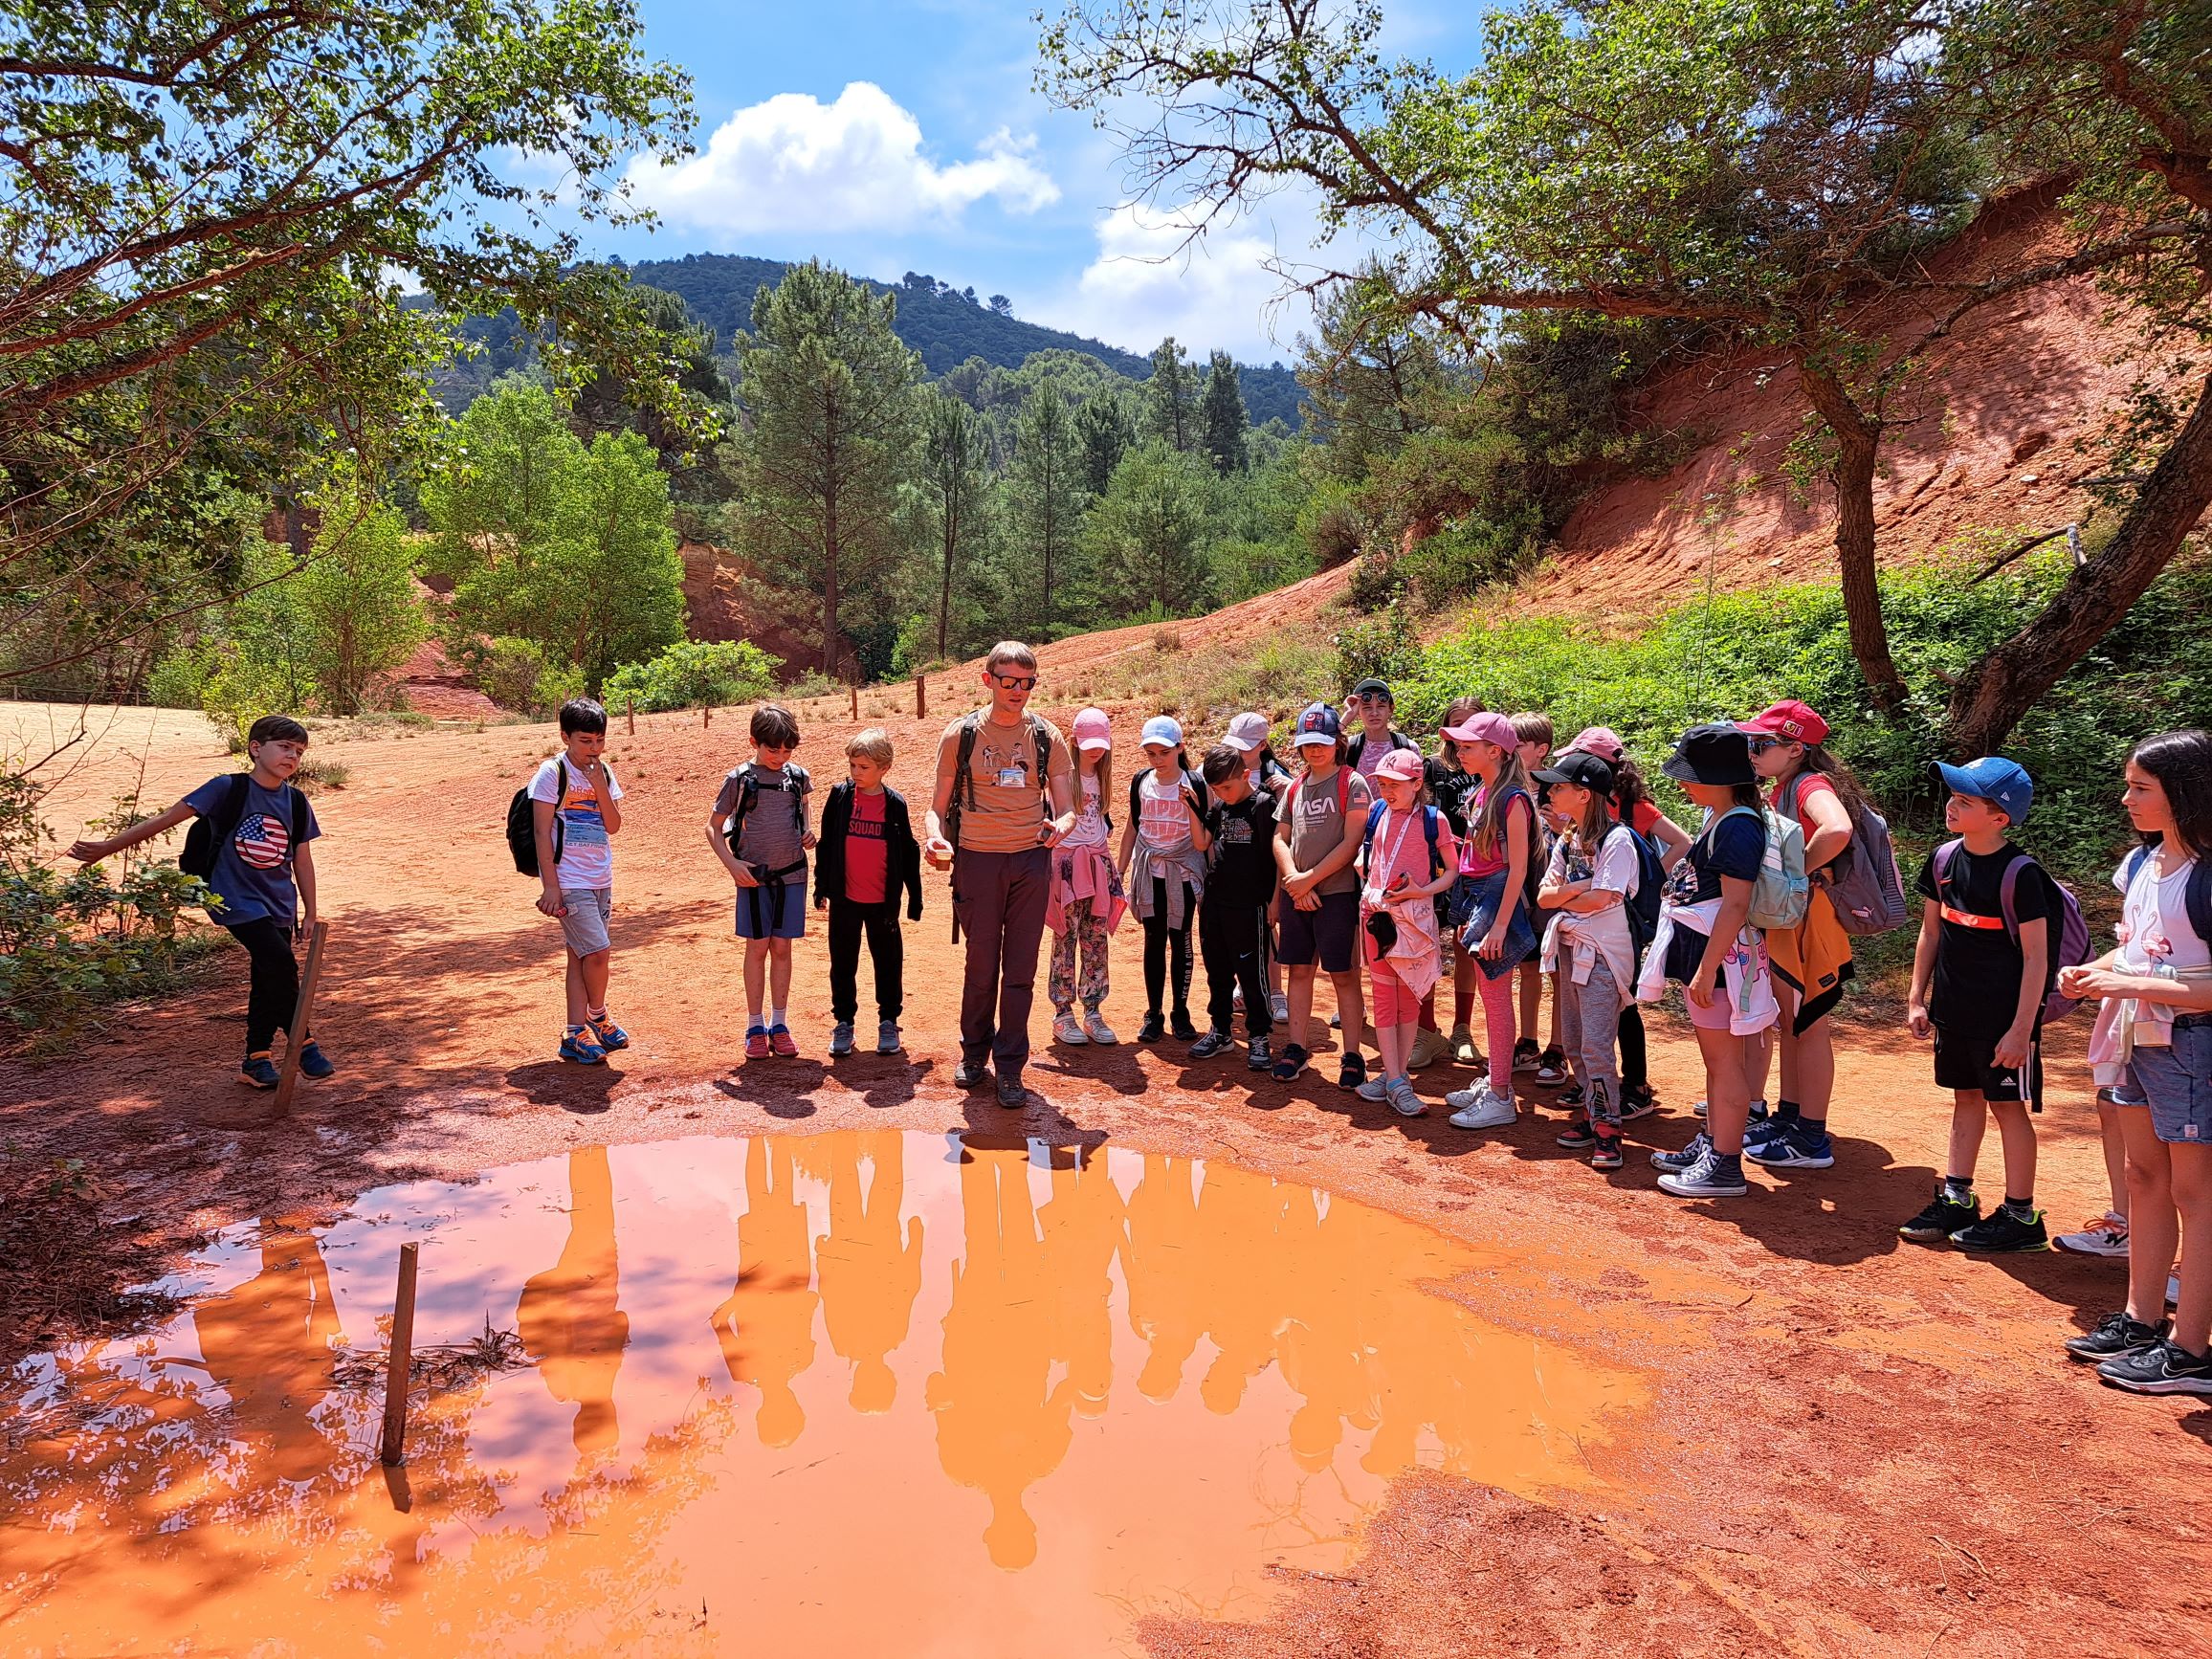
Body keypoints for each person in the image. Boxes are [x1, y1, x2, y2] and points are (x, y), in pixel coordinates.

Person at [2060, 730, 2212, 1395]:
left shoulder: (2206, 877)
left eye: (2140, 789)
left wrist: (2130, 985)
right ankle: (2141, 1319)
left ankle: (2192, 1349)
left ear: (2185, 792)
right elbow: (2144, 954)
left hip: (2191, 1047)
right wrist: (2097, 969)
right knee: (2143, 1176)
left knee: (2196, 1195)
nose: (2127, 799)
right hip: (2142, 1041)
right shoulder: (2148, 865)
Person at [67, 713, 333, 1088]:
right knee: (279, 962)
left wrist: (310, 910)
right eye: (284, 747)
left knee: (268, 975)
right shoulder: (227, 788)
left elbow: (302, 859)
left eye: (300, 751)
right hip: (232, 898)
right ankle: (304, 1043)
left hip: (279, 902)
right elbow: (167, 819)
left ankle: (256, 1061)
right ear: (256, 748)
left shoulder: (296, 801)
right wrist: (108, 847)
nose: (292, 756)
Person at [1896, 757, 2052, 1251]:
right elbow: (1930, 931)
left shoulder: (2022, 874)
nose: (1952, 805)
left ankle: (2022, 1216)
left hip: (2004, 1022)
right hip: (1954, 1013)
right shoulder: (1943, 860)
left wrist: (2022, 1028)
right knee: (1965, 1100)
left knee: (2008, 1109)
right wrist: (1917, 998)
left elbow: (2036, 959)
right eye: (1953, 796)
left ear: (2000, 817)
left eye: (1966, 801)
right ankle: (1958, 1197)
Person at [923, 642, 1076, 1108]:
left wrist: (1059, 827)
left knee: (1021, 970)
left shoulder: (1047, 736)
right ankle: (974, 1056)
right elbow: (935, 810)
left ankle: (1010, 1067)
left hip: (1031, 862)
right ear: (988, 680)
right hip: (977, 860)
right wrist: (935, 839)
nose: (1018, 691)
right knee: (981, 965)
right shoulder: (961, 734)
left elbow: (1069, 810)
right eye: (1008, 681)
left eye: (1027, 683)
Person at [1642, 724, 1779, 1199]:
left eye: (1691, 774)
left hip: (1719, 961)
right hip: (1712, 956)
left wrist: (1705, 968)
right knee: (1717, 1061)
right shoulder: (1723, 817)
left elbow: (1735, 905)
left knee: (1725, 1064)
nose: (1683, 782)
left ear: (1719, 778)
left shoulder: (1738, 825)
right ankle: (1712, 1145)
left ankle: (1724, 1164)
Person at [1738, 701, 1861, 1174]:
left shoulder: (1810, 784)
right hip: (1795, 919)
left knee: (1808, 1024)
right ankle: (1790, 1118)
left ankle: (1811, 1135)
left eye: (1760, 744)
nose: (1752, 752)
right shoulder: (1786, 785)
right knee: (1791, 1021)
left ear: (1795, 748)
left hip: (1811, 919)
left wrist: (1795, 873)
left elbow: (1837, 828)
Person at [1560, 725, 1690, 1117]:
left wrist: (1648, 881)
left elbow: (1683, 841)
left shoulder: (1634, 807)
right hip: (1587, 916)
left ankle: (1634, 1084)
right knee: (1591, 1000)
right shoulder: (1580, 809)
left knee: (1623, 1001)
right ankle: (1596, 1084)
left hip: (1623, 918)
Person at [1534, 752, 1641, 1170]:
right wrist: (1580, 889)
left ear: (1583, 794)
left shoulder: (1618, 839)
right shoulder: (1567, 838)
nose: (1551, 791)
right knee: (1575, 1040)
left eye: (1558, 786)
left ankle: (1609, 1129)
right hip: (1570, 945)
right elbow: (1546, 897)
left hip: (1602, 954)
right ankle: (1593, 1116)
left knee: (1596, 1044)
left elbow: (1606, 897)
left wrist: (1570, 893)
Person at [1441, 710, 1537, 1132]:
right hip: (1478, 896)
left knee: (1496, 998)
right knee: (1489, 993)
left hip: (1497, 900)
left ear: (1494, 751)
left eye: (1468, 746)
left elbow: (1517, 869)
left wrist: (1498, 925)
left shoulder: (1512, 798)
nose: (1460, 753)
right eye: (1459, 746)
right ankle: (1496, 1081)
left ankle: (1500, 1095)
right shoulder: (1484, 792)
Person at [1271, 703, 1372, 1088]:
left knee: (1344, 976)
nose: (1315, 751)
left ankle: (1352, 1055)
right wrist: (1294, 879)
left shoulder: (1352, 782)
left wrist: (1308, 880)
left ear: (1337, 742)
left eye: (1323, 743)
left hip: (1337, 893)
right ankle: (1296, 1048)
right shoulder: (1296, 786)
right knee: (1299, 970)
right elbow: (1280, 838)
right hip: (1298, 893)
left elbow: (1352, 843)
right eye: (1308, 744)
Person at [522, 698, 628, 1065]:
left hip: (601, 877)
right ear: (565, 736)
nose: (594, 749)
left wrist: (599, 782)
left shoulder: (605, 772)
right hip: (569, 879)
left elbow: (613, 825)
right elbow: (539, 831)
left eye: (599, 741)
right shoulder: (552, 773)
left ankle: (574, 1031)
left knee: (580, 955)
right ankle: (596, 1015)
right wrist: (550, 887)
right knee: (598, 952)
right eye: (585, 741)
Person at [1355, 747, 1459, 1117]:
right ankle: (1397, 1078)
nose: (1387, 791)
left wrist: (1420, 891)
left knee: (1410, 996)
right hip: (1379, 917)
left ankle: (1394, 1076)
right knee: (1385, 998)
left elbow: (1451, 870)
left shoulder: (1435, 820)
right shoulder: (1377, 812)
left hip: (1414, 921)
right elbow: (1368, 859)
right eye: (1382, 784)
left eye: (1395, 785)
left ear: (1417, 784)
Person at [708, 703, 815, 1060]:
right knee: (757, 948)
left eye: (787, 750)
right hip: (753, 879)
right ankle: (755, 1026)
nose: (780, 756)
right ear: (754, 741)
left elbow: (804, 806)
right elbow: (713, 827)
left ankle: (779, 1024)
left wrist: (808, 830)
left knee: (782, 948)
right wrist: (732, 864)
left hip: (793, 876)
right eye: (773, 749)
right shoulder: (739, 779)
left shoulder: (797, 776)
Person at [813, 728, 923, 1058]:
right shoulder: (840, 796)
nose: (856, 773)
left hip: (882, 904)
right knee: (842, 963)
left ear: (884, 768)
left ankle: (889, 1021)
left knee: (888, 963)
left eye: (864, 767)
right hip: (845, 899)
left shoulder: (894, 804)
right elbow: (827, 843)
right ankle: (844, 1022)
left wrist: (914, 898)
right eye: (853, 766)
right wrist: (821, 887)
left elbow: (908, 851)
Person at [1117, 715, 1212, 1043]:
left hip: (1183, 872)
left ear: (1180, 748)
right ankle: (1154, 1013)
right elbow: (1134, 826)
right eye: (1152, 754)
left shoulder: (1195, 785)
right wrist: (1120, 869)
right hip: (1150, 872)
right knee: (1154, 940)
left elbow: (1206, 832)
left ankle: (1180, 1012)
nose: (1158, 760)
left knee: (1181, 937)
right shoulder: (1142, 781)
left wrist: (1212, 876)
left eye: (1164, 752)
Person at [1191, 744, 1279, 1069]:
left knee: (1251, 975)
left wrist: (1274, 901)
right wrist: (1192, 804)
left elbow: (1278, 856)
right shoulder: (1221, 807)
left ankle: (1258, 1037)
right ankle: (1221, 1032)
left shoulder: (1263, 804)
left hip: (1250, 905)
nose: (1222, 794)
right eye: (1216, 789)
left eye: (1226, 787)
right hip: (1216, 902)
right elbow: (1202, 842)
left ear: (1245, 775)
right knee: (1217, 972)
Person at [1049, 707, 1124, 1047]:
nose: (1095, 750)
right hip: (1066, 866)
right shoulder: (1062, 775)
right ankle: (1063, 1012)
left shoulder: (1103, 777)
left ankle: (1093, 1010)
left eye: (1101, 744)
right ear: (1075, 741)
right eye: (1088, 743)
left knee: (1095, 938)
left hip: (1097, 864)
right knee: (1065, 936)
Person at [1223, 710, 1294, 1029]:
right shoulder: (1223, 766)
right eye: (1234, 745)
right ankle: (1244, 985)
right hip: (1234, 862)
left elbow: (1293, 812)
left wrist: (1287, 789)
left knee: (1268, 927)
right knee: (1238, 927)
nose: (1239, 753)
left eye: (1246, 747)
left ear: (1263, 745)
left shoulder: (1274, 774)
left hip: (1267, 862)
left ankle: (1276, 993)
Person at [1431, 697, 1490, 1069]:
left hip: (1478, 869)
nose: (1464, 730)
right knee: (1426, 941)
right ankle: (1424, 1030)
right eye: (1457, 722)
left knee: (1465, 945)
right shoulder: (1434, 767)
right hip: (1438, 866)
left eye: (1473, 722)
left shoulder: (1491, 767)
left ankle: (1462, 1029)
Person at [1510, 712, 1566, 1082]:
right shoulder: (1506, 787)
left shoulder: (1559, 789)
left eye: (1519, 744)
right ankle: (1527, 1042)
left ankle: (1557, 1049)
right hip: (1520, 891)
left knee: (1558, 972)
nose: (1510, 750)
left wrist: (1562, 828)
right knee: (1527, 968)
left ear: (1541, 750)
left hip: (1554, 892)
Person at [1342, 677, 1420, 778]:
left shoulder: (1409, 747)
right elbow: (1321, 747)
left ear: (1391, 709)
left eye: (1381, 706)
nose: (1374, 713)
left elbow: (1419, 788)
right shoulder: (1348, 747)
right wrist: (1347, 715)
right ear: (1358, 713)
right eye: (1367, 708)